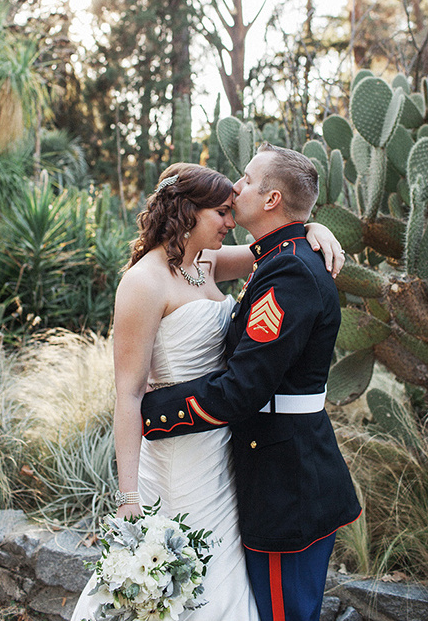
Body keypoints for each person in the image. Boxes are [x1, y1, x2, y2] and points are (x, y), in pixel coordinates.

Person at [71, 160, 345, 621]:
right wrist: (128, 497)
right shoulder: (143, 281)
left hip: (222, 451)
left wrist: (315, 226)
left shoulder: (207, 263)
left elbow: (279, 249)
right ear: (188, 212)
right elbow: (128, 395)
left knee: (223, 579)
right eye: (221, 211)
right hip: (175, 454)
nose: (231, 218)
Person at [141, 144, 362, 621]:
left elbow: (242, 388)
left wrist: (149, 413)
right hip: (264, 467)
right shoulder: (277, 258)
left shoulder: (291, 272)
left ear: (270, 199)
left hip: (289, 484)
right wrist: (309, 227)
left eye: (245, 179)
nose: (235, 186)